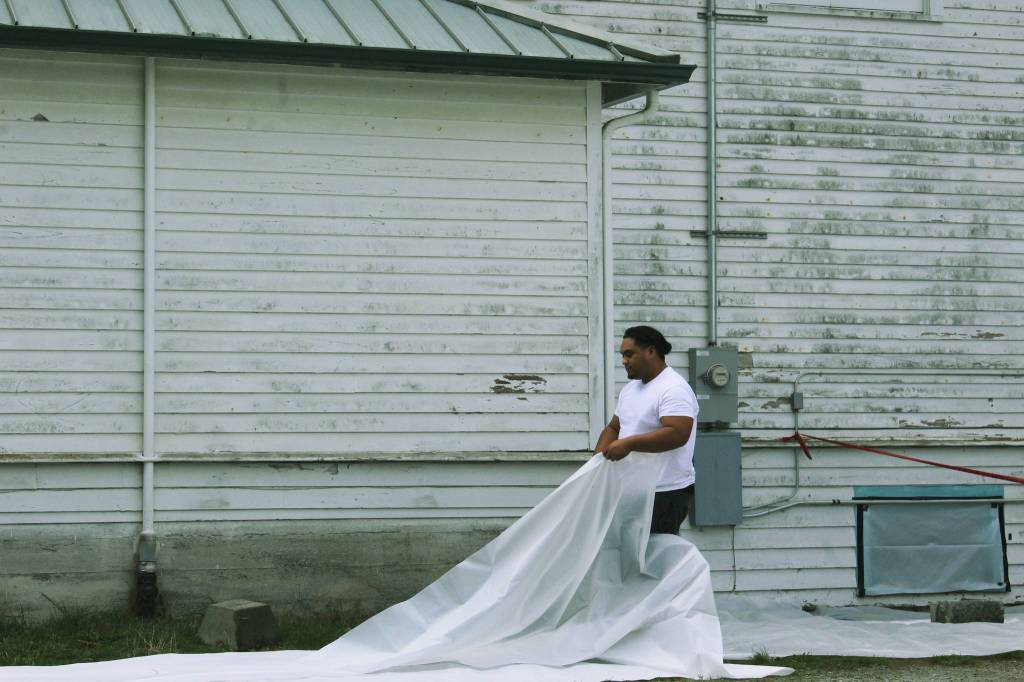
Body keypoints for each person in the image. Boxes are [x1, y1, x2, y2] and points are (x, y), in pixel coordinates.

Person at [594, 325, 698, 534]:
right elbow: (614, 427)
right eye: (623, 355)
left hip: (664, 492)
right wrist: (598, 461)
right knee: (629, 555)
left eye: (629, 354)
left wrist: (629, 444)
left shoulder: (673, 388)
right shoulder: (631, 389)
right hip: (631, 489)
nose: (624, 361)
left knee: (655, 557)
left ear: (651, 351)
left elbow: (678, 433)